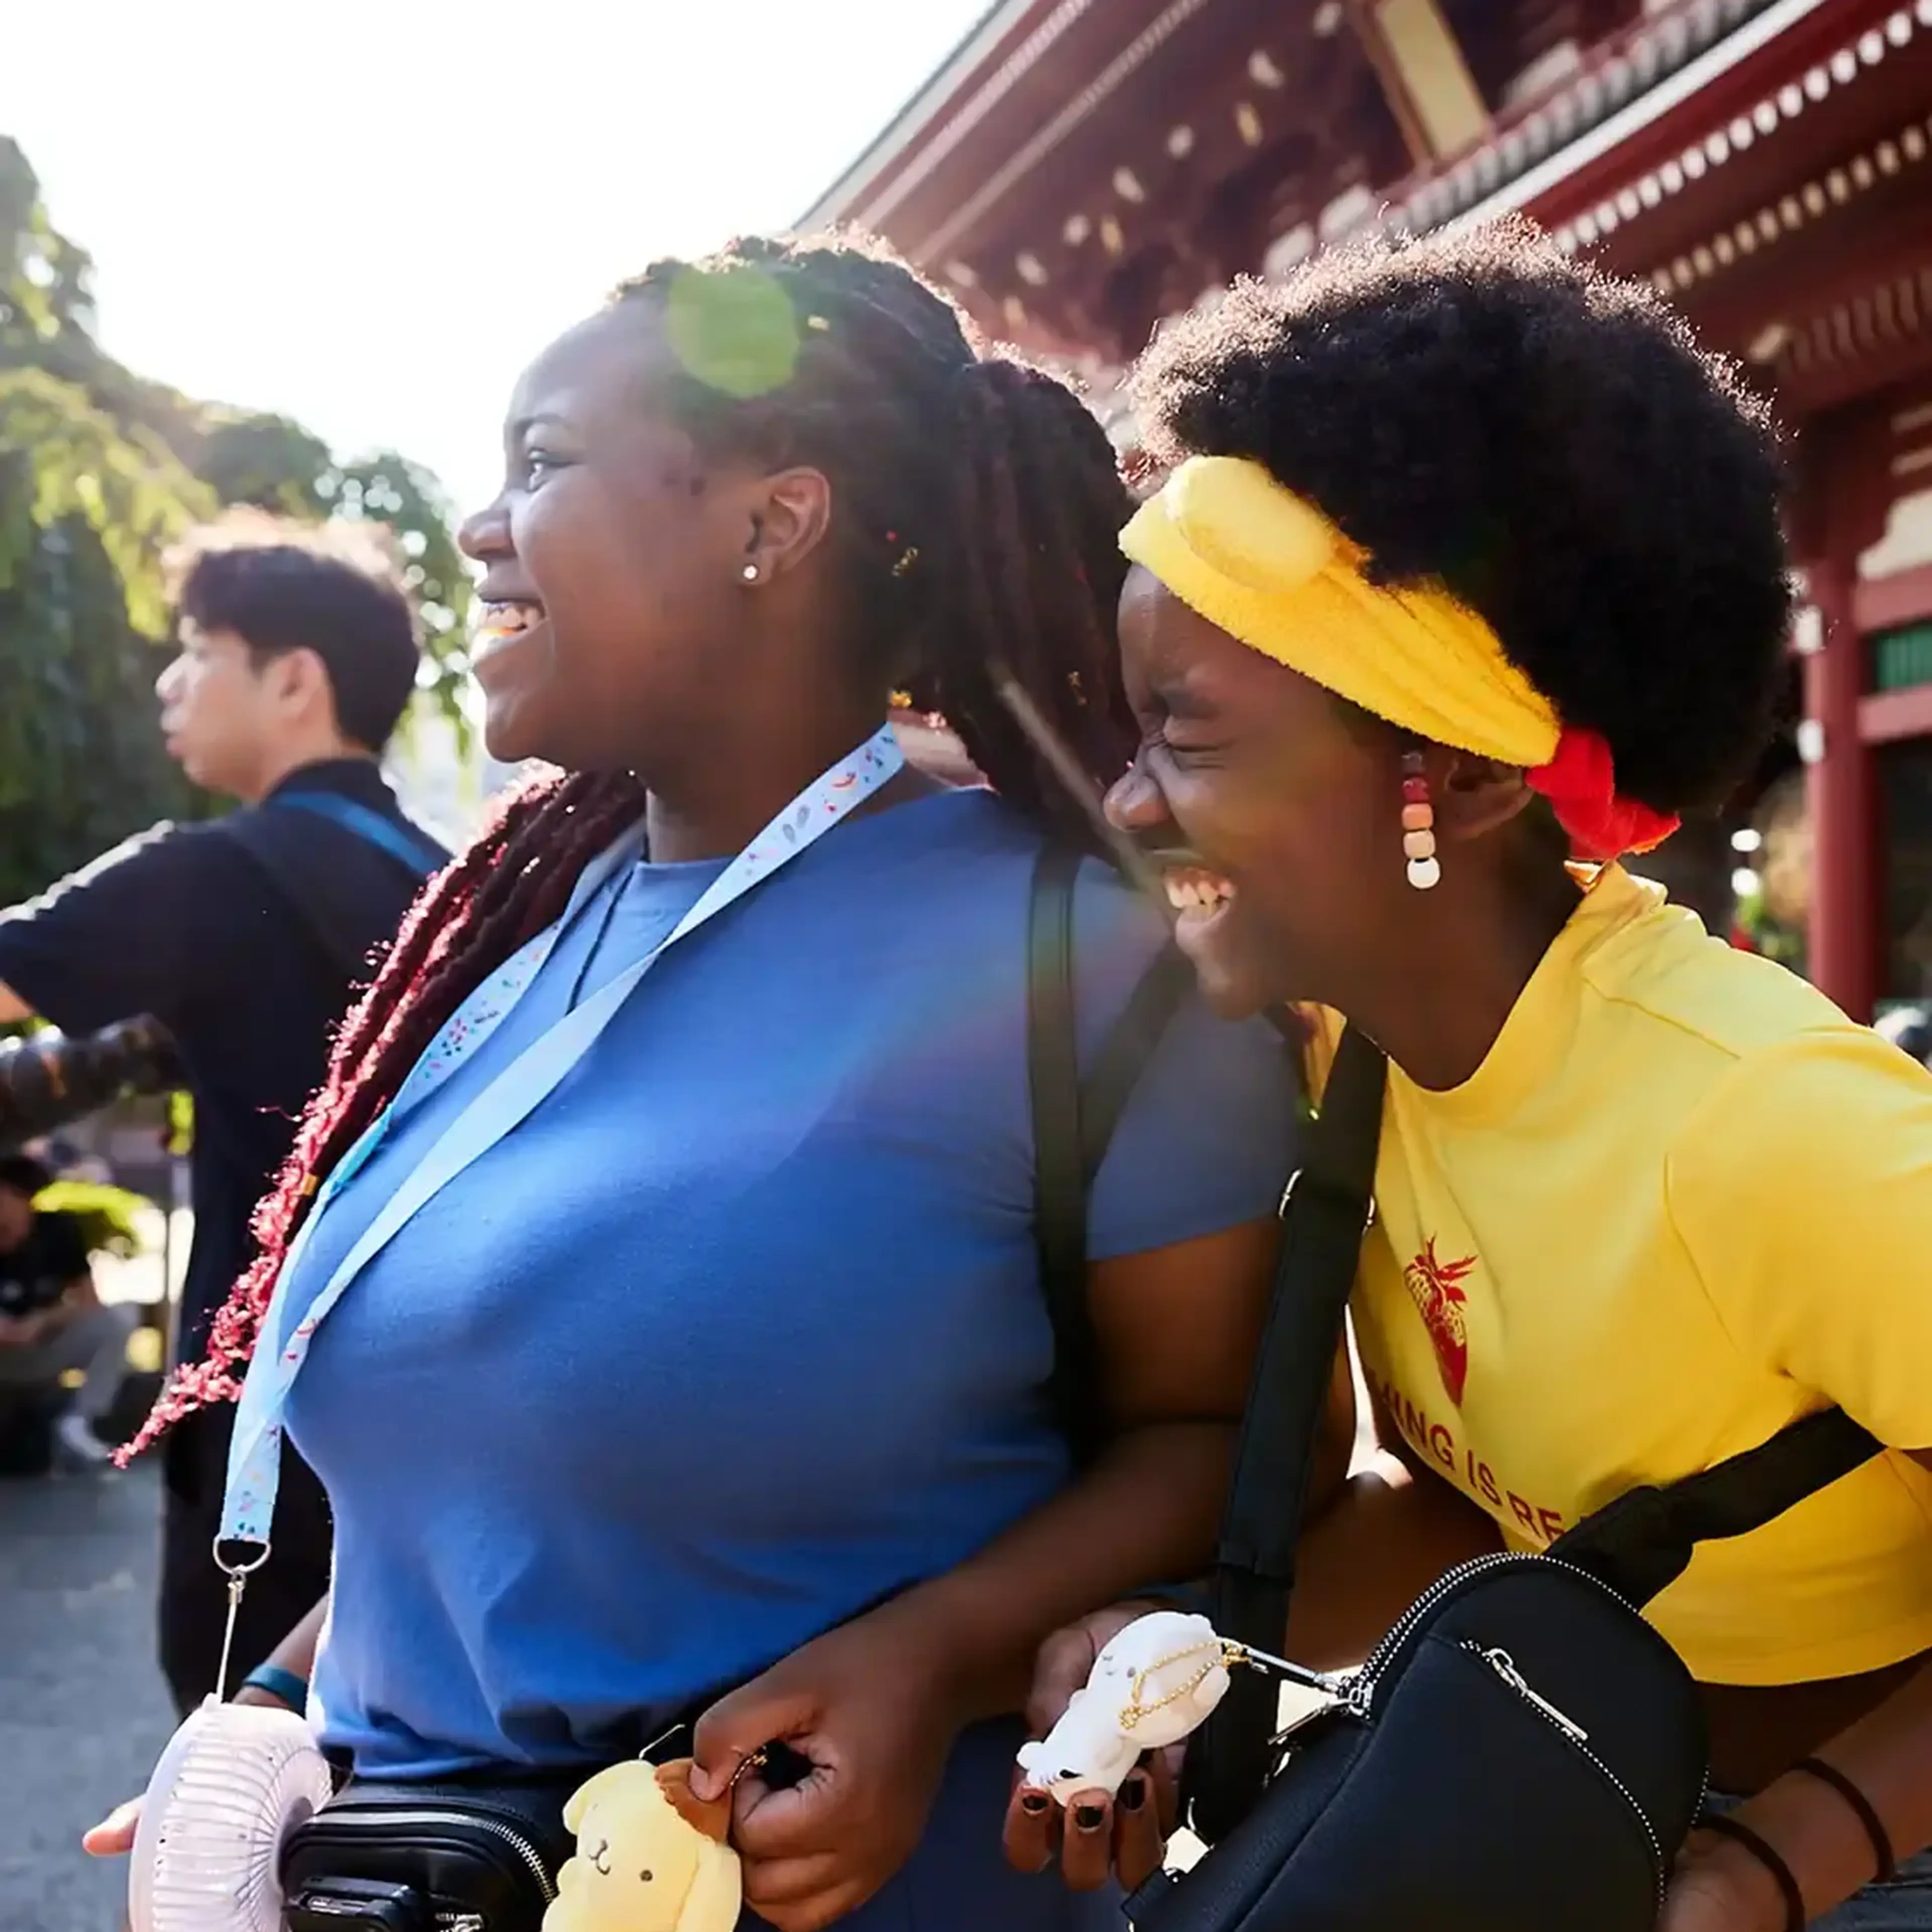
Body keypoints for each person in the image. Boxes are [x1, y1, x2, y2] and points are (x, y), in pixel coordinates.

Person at [94, 234, 1299, 1932]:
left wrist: (931, 1662)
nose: (477, 528)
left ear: (771, 522)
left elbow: (1238, 1440)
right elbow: (496, 1481)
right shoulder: (512, 954)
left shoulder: (1077, 950)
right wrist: (283, 1720)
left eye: (542, 461)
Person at [1005, 222, 1932, 1928]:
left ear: (1461, 775)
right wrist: (1180, 1649)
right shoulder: (1370, 1067)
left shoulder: (1762, 1124)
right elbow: (1472, 1510)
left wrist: (1783, 1859)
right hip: (1602, 1816)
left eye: (1189, 730)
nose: (1128, 803)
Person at [0, 517, 448, 1710]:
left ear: (294, 679)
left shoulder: (215, 872)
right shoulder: (449, 875)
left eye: (199, 649)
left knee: (228, 1796)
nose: (169, 680)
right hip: (436, 1425)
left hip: (262, 1436)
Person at [0, 1151, 138, 1465]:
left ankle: (79, 1422)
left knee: (117, 1321)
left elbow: (89, 1299)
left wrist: (42, 1321)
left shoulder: (57, 1231)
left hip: (41, 1345)